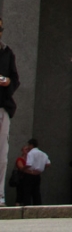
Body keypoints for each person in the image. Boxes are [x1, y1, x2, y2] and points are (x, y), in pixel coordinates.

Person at [0, 16, 20, 208]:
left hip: (3, 107)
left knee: (2, 154)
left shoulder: (7, 52)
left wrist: (7, 82)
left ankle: (0, 195)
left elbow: (15, 78)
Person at [20, 138, 50, 206]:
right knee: (36, 192)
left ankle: (27, 206)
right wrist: (41, 167)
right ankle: (37, 206)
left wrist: (23, 168)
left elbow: (29, 164)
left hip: (29, 174)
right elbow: (48, 163)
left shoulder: (31, 153)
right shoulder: (43, 153)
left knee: (27, 192)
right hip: (38, 174)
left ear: (31, 145)